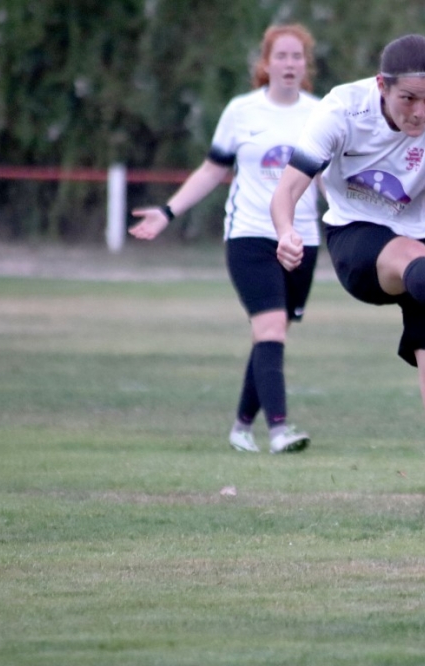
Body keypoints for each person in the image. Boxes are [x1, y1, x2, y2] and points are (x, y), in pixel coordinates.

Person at [270, 34, 425, 587]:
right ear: (382, 86)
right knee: (408, 254)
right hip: (360, 240)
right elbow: (286, 191)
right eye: (409, 99)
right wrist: (285, 232)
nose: (421, 112)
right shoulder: (341, 109)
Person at [129, 24, 321, 455]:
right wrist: (167, 212)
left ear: (306, 64)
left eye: (297, 56)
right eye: (281, 55)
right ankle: (279, 430)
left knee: (271, 334)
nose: (289, 63)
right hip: (250, 235)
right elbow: (212, 170)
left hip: (302, 239)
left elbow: (331, 180)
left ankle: (240, 427)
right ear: (265, 62)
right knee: (270, 326)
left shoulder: (319, 113)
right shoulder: (241, 111)